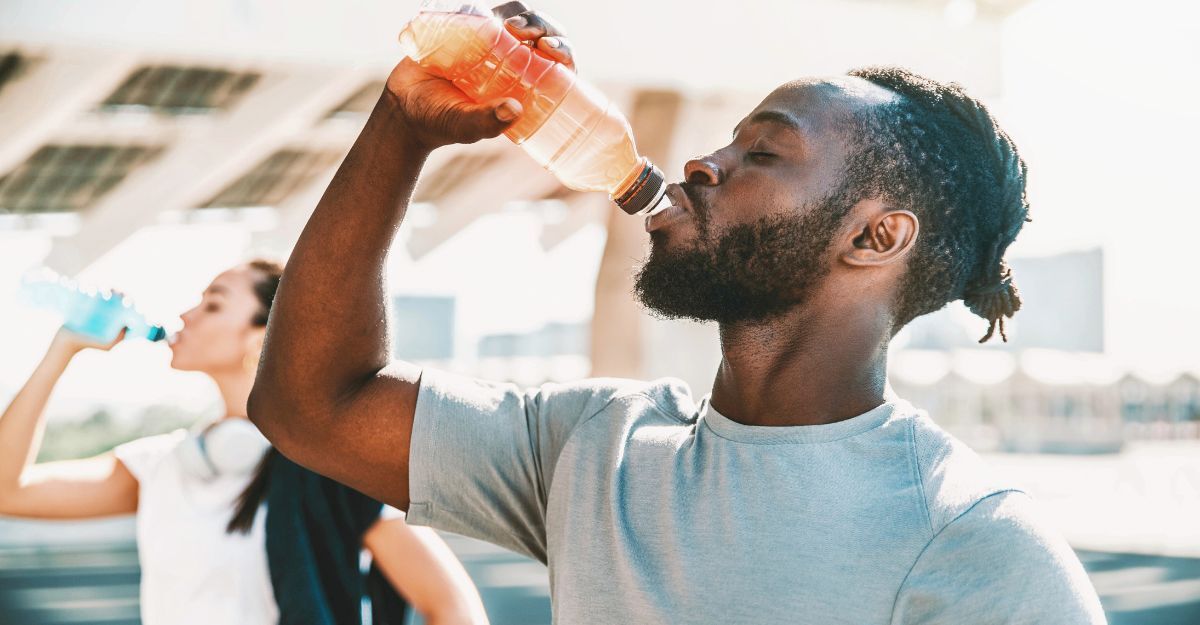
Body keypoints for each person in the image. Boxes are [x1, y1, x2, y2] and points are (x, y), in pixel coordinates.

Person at [248, 7, 1108, 624]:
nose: (702, 161)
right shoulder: (595, 445)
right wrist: (402, 126)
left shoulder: (975, 542)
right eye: (727, 139)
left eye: (763, 151)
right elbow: (308, 406)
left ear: (875, 236)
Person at [0, 259, 489, 625]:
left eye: (213, 304)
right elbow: (9, 490)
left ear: (262, 338)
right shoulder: (163, 465)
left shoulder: (330, 471)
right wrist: (64, 347)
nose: (186, 315)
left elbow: (453, 610)